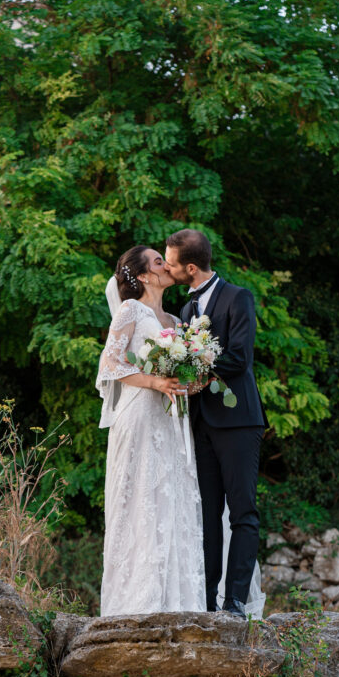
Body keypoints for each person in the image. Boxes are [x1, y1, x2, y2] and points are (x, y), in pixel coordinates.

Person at [95, 245, 207, 617]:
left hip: (171, 421)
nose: (166, 264)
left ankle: (176, 604)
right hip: (140, 416)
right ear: (143, 275)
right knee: (141, 499)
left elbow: (182, 377)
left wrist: (191, 381)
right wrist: (154, 382)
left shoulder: (176, 321)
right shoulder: (131, 311)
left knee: (169, 500)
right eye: (158, 260)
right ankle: (134, 604)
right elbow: (110, 363)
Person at [165, 229, 267, 620]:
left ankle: (236, 601)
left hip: (238, 421)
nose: (168, 269)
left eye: (171, 263)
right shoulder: (187, 311)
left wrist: (193, 367)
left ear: (190, 267)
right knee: (207, 516)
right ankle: (207, 600)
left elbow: (239, 358)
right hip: (201, 425)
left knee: (242, 511)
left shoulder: (238, 297)